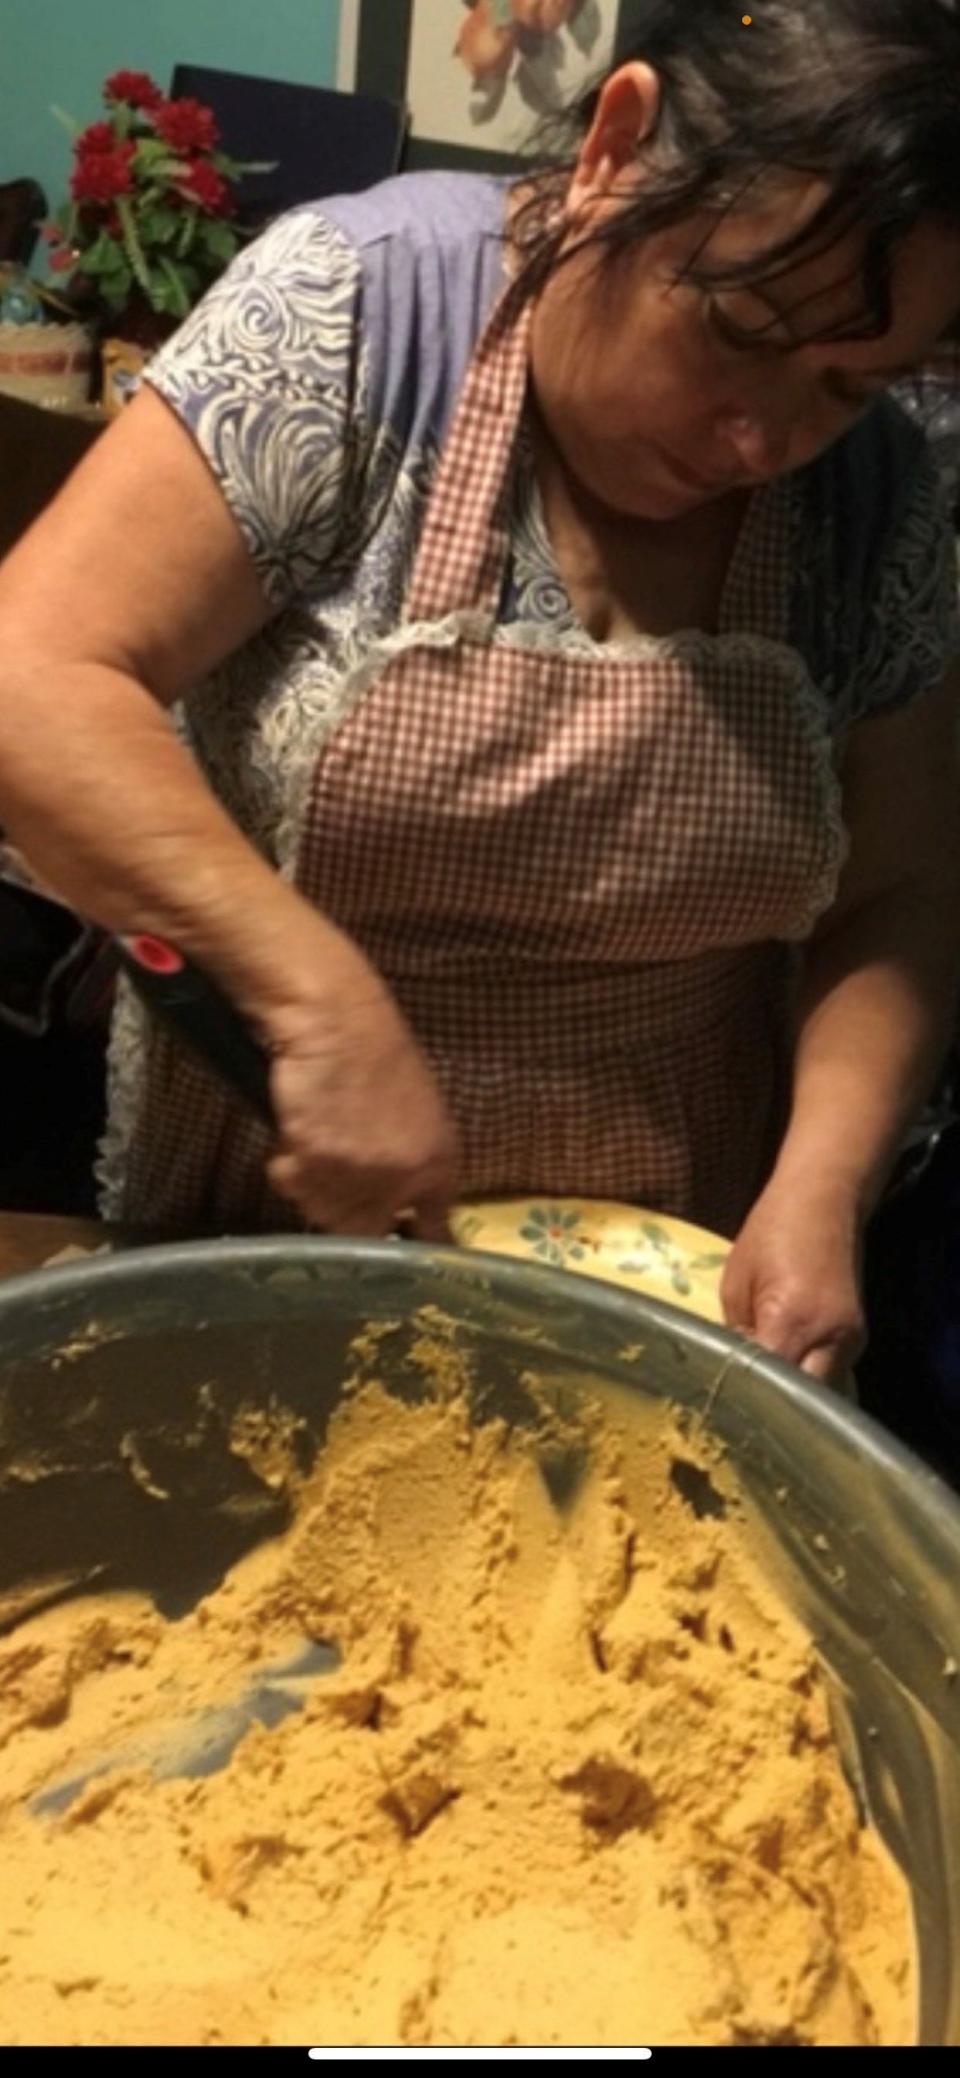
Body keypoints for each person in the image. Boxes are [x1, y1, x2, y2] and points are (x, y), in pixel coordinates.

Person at [1, 0, 959, 1388]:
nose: (769, 437)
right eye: (743, 332)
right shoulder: (361, 312)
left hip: (670, 1253)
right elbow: (33, 672)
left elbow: (903, 892)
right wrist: (313, 996)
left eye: (849, 383)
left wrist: (824, 1180)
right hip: (283, 1206)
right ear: (618, 144)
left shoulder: (870, 496)